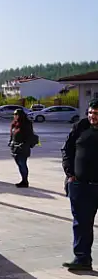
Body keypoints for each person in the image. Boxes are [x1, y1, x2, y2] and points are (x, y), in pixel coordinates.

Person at [61, 99, 98, 271]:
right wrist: (70, 173)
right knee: (82, 224)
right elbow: (67, 150)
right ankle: (82, 258)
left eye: (96, 114)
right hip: (81, 185)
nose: (93, 117)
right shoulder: (80, 127)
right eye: (91, 113)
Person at [8, 109, 36, 188]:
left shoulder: (26, 124)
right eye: (14, 114)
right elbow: (12, 135)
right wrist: (10, 142)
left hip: (23, 148)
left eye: (17, 114)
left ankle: (25, 181)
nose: (15, 116)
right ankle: (23, 180)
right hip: (15, 148)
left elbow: (29, 136)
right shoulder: (14, 124)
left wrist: (23, 144)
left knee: (22, 163)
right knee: (19, 164)